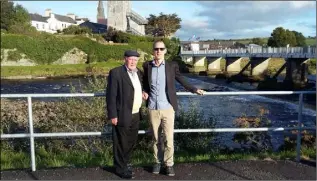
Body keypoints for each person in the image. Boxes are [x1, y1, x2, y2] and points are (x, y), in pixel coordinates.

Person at [142, 40, 205, 176]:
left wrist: (194, 89)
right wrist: (144, 90)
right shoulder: (147, 66)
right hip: (153, 107)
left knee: (169, 139)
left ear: (165, 51)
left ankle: (169, 164)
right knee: (155, 139)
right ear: (153, 51)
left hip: (168, 108)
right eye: (156, 49)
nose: (158, 51)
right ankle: (157, 162)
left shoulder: (171, 66)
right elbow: (144, 82)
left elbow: (181, 79)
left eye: (161, 49)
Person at [106, 50, 143, 179]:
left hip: (136, 113)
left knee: (131, 141)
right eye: (131, 59)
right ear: (125, 59)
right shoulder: (116, 73)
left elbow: (138, 87)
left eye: (135, 59)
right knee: (121, 142)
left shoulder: (139, 73)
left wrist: (144, 92)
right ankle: (120, 168)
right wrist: (113, 115)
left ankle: (125, 163)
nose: (133, 62)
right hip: (122, 114)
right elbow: (111, 95)